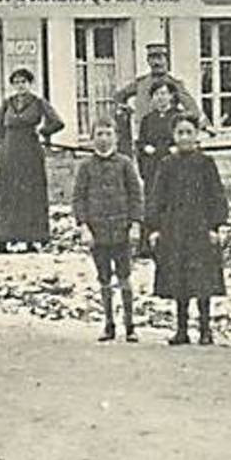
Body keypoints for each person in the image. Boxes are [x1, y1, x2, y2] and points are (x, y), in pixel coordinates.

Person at [145, 114, 229, 346]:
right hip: (175, 229)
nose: (184, 137)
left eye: (188, 132)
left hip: (200, 229)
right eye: (180, 133)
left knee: (203, 281)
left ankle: (205, 328)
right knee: (179, 280)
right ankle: (181, 329)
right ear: (173, 136)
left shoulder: (206, 163)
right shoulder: (167, 165)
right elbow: (157, 198)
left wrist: (215, 226)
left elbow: (217, 196)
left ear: (196, 135)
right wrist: (154, 228)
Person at [72, 118, 143, 342]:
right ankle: (109, 323)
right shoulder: (86, 167)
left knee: (124, 277)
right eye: (99, 134)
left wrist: (135, 223)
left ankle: (130, 325)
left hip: (121, 229)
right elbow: (78, 198)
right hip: (97, 232)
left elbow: (136, 195)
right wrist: (83, 226)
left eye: (108, 134)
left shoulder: (124, 163)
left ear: (116, 137)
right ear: (92, 138)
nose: (103, 139)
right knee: (103, 278)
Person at [0, 68, 65, 254]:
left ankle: (31, 240)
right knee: (6, 194)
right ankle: (3, 240)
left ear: (30, 84)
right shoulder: (7, 103)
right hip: (9, 152)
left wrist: (42, 132)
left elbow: (57, 122)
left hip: (30, 152)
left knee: (30, 194)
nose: (20, 85)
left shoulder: (38, 102)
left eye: (24, 82)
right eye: (17, 82)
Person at [112, 41, 200, 120]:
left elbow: (194, 111)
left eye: (159, 58)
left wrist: (176, 117)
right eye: (152, 59)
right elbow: (118, 96)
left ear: (167, 60)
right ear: (148, 61)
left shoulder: (174, 84)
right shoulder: (141, 83)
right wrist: (128, 109)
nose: (156, 63)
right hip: (143, 131)